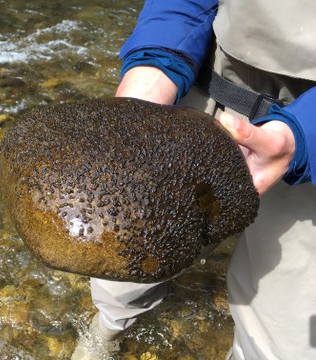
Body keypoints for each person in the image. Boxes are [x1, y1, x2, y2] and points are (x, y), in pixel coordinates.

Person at [72, 1, 316, 359]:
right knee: (125, 257)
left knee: (287, 339)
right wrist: (155, 65)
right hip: (208, 88)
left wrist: (304, 137)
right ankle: (108, 329)